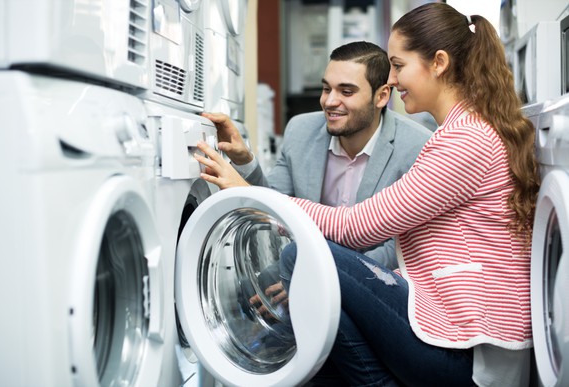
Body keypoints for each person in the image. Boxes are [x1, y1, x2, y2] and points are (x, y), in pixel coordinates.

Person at [195, 3, 540, 386]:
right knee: (316, 330)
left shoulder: (465, 141)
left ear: (438, 63)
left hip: (469, 354)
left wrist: (248, 193)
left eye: (399, 64)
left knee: (301, 262)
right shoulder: (467, 131)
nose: (393, 78)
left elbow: (359, 228)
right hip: (457, 335)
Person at [202, 40, 431, 270]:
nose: (330, 101)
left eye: (347, 91)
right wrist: (245, 161)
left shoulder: (416, 146)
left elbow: (401, 245)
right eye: (326, 89)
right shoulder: (300, 130)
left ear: (381, 96)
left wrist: (316, 273)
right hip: (302, 267)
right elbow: (276, 208)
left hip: (372, 282)